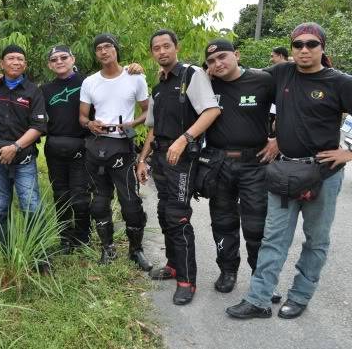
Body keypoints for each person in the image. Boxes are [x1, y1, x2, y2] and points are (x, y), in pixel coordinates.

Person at [227, 22, 352, 319]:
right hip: (283, 172)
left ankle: (299, 295)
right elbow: (240, 76)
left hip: (323, 173)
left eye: (311, 44)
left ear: (322, 47)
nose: (304, 50)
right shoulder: (282, 72)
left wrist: (348, 151)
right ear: (292, 48)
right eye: (298, 45)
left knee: (316, 240)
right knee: (273, 238)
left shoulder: (340, 82)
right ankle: (258, 299)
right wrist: (201, 72)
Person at [136, 29, 220, 305]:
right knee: (162, 211)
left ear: (176, 47)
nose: (161, 51)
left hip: (182, 159)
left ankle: (187, 280)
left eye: (166, 46)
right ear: (152, 54)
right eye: (156, 48)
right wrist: (142, 159)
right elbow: (152, 128)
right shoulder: (158, 84)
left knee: (177, 216)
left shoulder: (192, 75)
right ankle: (173, 265)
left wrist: (184, 140)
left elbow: (211, 111)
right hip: (160, 157)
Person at [202, 39, 278, 294]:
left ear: (237, 54)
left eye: (222, 57)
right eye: (211, 61)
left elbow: (291, 109)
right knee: (222, 222)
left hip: (254, 164)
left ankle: (261, 279)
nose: (217, 64)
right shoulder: (206, 84)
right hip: (218, 164)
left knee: (257, 227)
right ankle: (227, 270)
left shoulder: (263, 80)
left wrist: (279, 141)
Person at [79, 33, 152, 271]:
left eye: (108, 46)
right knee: (99, 203)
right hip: (96, 146)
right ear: (96, 53)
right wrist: (90, 124)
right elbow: (82, 116)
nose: (103, 51)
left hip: (123, 145)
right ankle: (107, 248)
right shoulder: (89, 82)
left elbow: (147, 112)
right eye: (98, 48)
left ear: (116, 49)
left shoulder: (135, 77)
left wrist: (133, 124)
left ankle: (136, 250)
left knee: (130, 202)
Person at [0, 45, 48, 249]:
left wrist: (15, 147)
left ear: (25, 64)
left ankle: (38, 254)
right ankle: (5, 251)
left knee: (31, 207)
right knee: (1, 207)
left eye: (20, 59)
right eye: (11, 58)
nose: (16, 62)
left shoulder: (33, 91)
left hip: (24, 159)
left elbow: (39, 126)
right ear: (2, 64)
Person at [41, 45, 91, 253]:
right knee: (60, 196)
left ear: (73, 58)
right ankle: (65, 239)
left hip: (81, 148)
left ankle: (82, 238)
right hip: (54, 149)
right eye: (54, 59)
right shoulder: (44, 90)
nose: (59, 62)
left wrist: (133, 70)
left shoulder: (88, 84)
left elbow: (113, 79)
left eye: (63, 57)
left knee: (79, 197)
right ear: (49, 65)